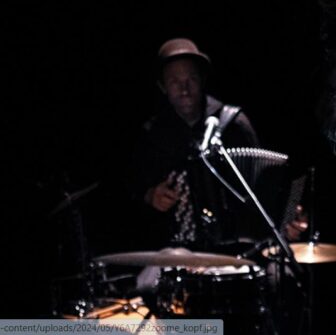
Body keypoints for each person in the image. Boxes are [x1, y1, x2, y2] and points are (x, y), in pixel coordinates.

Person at [129, 38, 306, 250]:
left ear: (202, 80)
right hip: (174, 251)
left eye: (191, 79)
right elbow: (130, 189)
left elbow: (265, 182)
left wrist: (287, 214)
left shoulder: (234, 124)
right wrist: (150, 196)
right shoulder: (153, 133)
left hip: (237, 251)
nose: (184, 89)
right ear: (162, 86)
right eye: (175, 81)